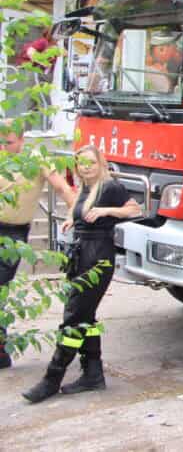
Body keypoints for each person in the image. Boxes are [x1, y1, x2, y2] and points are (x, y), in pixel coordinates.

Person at [22, 145, 140, 402]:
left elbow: (135, 209)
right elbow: (79, 208)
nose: (86, 168)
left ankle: (52, 379)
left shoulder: (110, 187)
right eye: (81, 164)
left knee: (73, 318)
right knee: (86, 316)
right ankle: (93, 374)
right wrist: (72, 219)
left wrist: (108, 211)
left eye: (91, 163)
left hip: (98, 258)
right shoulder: (86, 187)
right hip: (80, 255)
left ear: (101, 164)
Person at [0, 121, 77, 370]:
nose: (3, 148)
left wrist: (73, 213)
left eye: (8, 143)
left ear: (22, 140)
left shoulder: (36, 160)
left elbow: (63, 188)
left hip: (13, 233)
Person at [144, 29, 183, 93]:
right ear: (161, 50)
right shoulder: (155, 72)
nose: (175, 51)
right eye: (174, 48)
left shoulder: (163, 68)